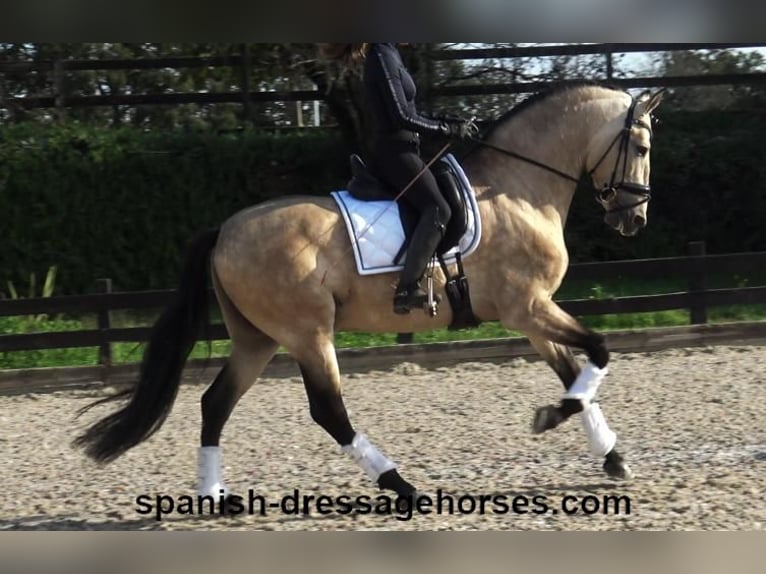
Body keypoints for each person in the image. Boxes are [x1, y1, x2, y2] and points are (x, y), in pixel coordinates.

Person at [319, 43, 478, 314]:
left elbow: (411, 113)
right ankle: (407, 289)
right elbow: (401, 116)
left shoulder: (388, 52)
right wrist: (443, 128)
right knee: (437, 209)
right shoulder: (381, 54)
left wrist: (449, 121)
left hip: (405, 149)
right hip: (394, 153)